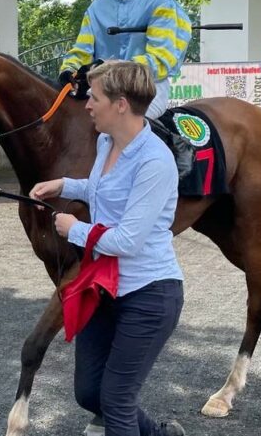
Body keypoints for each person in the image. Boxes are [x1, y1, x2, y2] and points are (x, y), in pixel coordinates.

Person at [30, 61, 186, 436]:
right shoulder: (106, 141)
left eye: (93, 97)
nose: (86, 104)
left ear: (120, 104)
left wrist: (74, 229)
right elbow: (102, 188)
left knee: (116, 400)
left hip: (149, 294)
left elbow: (127, 241)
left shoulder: (154, 160)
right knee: (90, 393)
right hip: (105, 287)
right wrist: (62, 185)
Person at [58, 0, 192, 119]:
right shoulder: (96, 8)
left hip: (146, 89)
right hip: (101, 91)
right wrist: (68, 70)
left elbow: (161, 61)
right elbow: (81, 52)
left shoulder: (160, 1)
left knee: (119, 122)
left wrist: (106, 68)